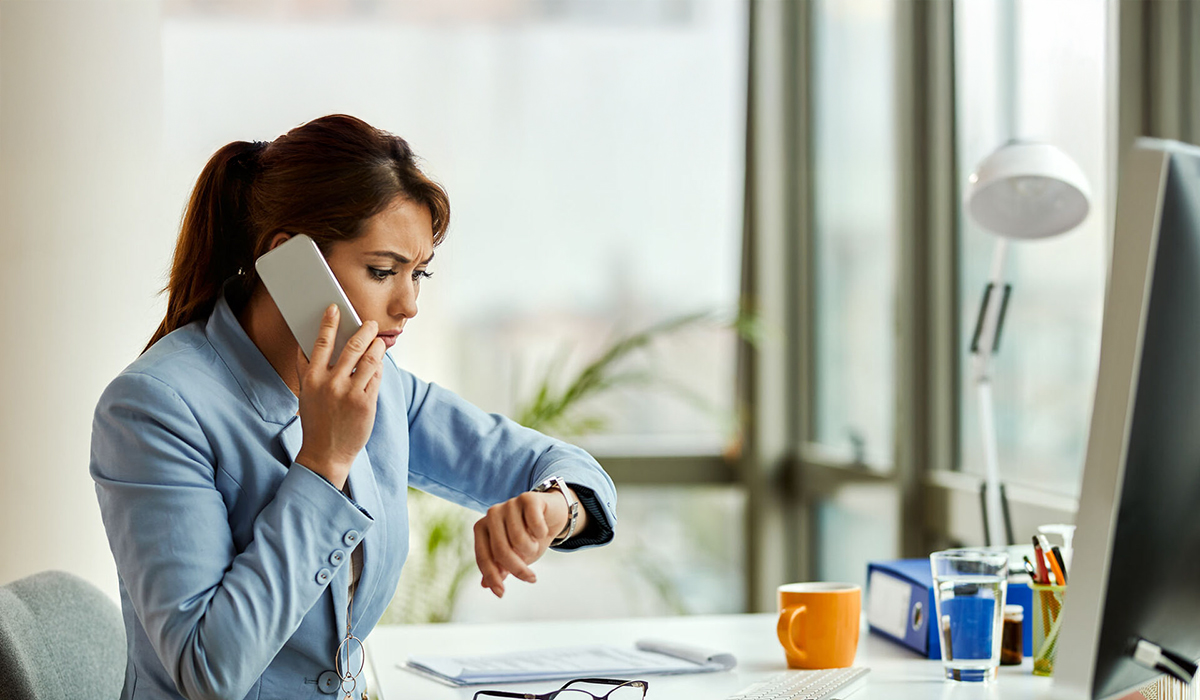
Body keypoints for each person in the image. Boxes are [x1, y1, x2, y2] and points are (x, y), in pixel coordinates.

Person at [90, 114, 617, 700]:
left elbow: (560, 463)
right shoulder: (154, 409)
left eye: (419, 274)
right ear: (289, 260)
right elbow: (209, 671)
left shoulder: (380, 384)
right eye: (383, 271)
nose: (410, 303)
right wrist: (324, 463)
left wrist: (556, 507)